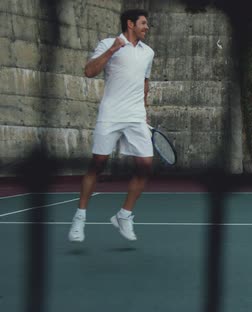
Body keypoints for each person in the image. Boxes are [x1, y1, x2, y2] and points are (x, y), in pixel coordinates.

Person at [68, 9, 155, 242]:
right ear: (130, 24)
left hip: (135, 116)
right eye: (144, 23)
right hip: (111, 114)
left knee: (145, 165)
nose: (147, 27)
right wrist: (113, 49)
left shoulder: (149, 52)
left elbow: (144, 83)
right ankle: (79, 217)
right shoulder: (107, 43)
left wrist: (144, 111)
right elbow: (89, 71)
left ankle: (124, 215)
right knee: (98, 163)